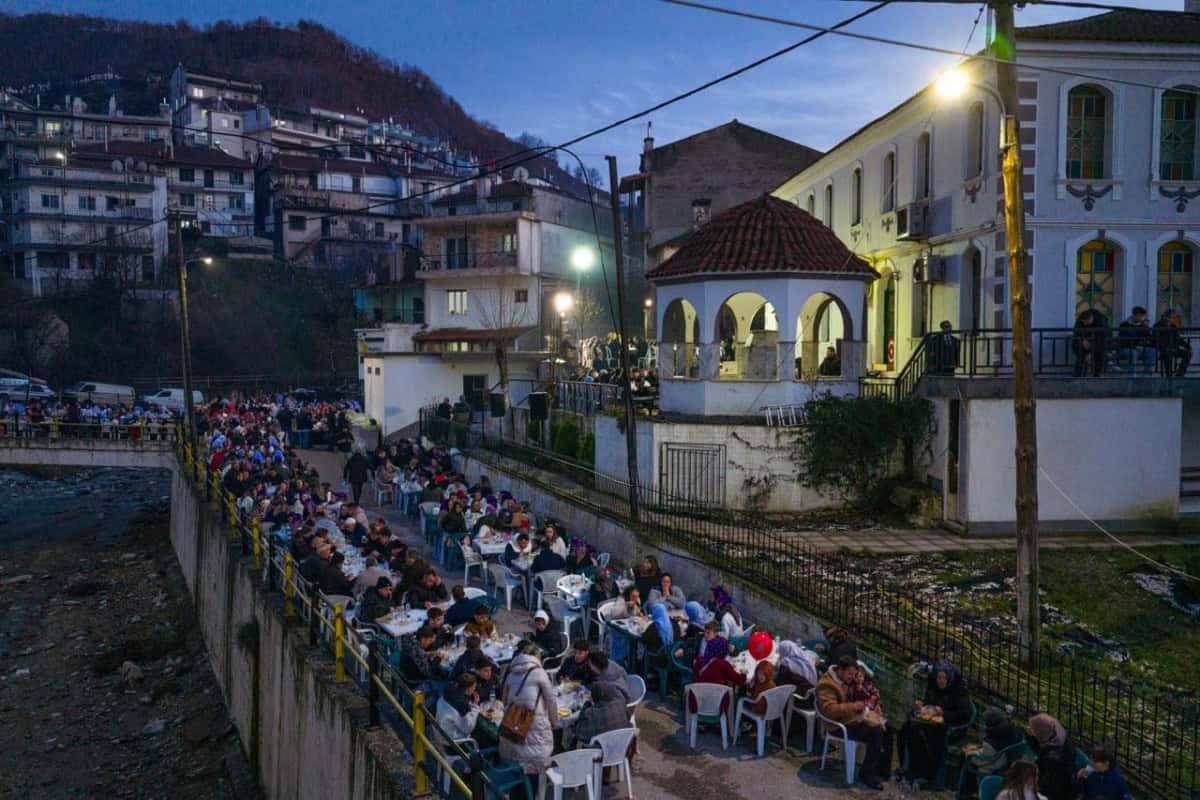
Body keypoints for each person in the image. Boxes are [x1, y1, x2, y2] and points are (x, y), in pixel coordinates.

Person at [816, 655, 888, 791]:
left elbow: (866, 693)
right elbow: (830, 710)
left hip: (851, 718)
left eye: (854, 674)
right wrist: (855, 706)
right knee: (876, 732)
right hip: (837, 725)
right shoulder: (827, 684)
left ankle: (882, 770)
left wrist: (876, 705)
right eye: (849, 673)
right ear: (840, 670)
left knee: (887, 727)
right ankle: (866, 773)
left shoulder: (847, 680)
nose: (852, 677)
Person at [899, 660, 973, 786]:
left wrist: (944, 713)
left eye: (944, 678)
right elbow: (930, 703)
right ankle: (908, 768)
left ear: (949, 678)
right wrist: (923, 706)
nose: (941, 681)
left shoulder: (958, 690)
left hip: (951, 727)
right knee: (907, 728)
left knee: (929, 736)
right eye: (939, 677)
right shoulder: (933, 686)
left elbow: (965, 715)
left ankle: (927, 775)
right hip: (931, 723)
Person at [497, 643, 558, 777]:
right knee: (537, 758)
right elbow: (551, 700)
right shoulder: (540, 673)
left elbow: (504, 700)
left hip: (514, 722)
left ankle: (524, 786)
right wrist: (554, 721)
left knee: (521, 756)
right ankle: (536, 792)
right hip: (536, 722)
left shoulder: (510, 672)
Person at [964, 706, 1028, 786]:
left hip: (998, 763)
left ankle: (968, 791)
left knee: (968, 758)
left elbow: (986, 761)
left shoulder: (991, 740)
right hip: (1010, 759)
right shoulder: (1015, 729)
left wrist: (969, 753)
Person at [689, 621, 743, 711]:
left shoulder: (716, 650)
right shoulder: (703, 641)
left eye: (708, 633)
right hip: (711, 689)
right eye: (705, 632)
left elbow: (734, 651)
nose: (705, 635)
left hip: (704, 686)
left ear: (716, 634)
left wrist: (733, 649)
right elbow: (739, 679)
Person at [1026, 713, 1076, 800]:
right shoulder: (1055, 734)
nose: (1029, 728)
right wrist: (1031, 736)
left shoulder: (1052, 759)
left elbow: (1051, 787)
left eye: (1033, 729)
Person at [573, 682, 630, 749]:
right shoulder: (620, 702)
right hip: (622, 745)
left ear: (594, 698)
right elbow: (628, 717)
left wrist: (586, 704)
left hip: (601, 751)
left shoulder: (592, 713)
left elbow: (579, 734)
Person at [436, 673, 481, 740]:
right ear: (468, 689)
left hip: (439, 730)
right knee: (477, 734)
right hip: (449, 739)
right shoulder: (462, 705)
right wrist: (475, 706)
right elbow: (468, 728)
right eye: (474, 688)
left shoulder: (447, 691)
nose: (474, 689)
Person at [398, 625, 443, 690]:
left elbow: (417, 653)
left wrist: (428, 653)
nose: (430, 643)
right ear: (423, 639)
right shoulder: (418, 652)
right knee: (440, 677)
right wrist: (438, 659)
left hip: (404, 670)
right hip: (413, 681)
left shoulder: (410, 641)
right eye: (429, 640)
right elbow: (428, 672)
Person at [1118, 305, 1157, 376]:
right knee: (1133, 352)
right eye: (1141, 316)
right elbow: (1123, 340)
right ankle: (1133, 374)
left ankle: (1147, 374)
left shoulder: (1143, 326)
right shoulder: (1124, 325)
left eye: (1143, 316)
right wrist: (1134, 346)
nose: (1142, 318)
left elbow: (1149, 338)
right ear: (1135, 315)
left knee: (1152, 350)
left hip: (1140, 348)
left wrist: (1142, 345)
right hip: (1127, 348)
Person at [1155, 308, 1192, 377]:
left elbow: (1178, 338)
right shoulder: (1158, 326)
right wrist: (1166, 347)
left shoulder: (1173, 326)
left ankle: (1179, 374)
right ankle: (1169, 376)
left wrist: (1187, 346)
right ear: (1166, 317)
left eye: (1174, 317)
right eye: (1171, 317)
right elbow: (1157, 340)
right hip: (1163, 349)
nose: (1173, 319)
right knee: (1168, 355)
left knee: (1188, 354)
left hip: (1174, 348)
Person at [1072, 309, 1108, 377]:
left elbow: (1100, 340)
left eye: (1086, 322)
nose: (1085, 324)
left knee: (1099, 354)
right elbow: (1076, 332)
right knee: (1079, 351)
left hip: (1098, 342)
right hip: (1084, 340)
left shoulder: (1101, 321)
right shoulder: (1081, 319)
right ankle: (1078, 373)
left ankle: (1097, 374)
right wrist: (1083, 340)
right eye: (1083, 322)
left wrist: (1091, 352)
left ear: (1091, 318)